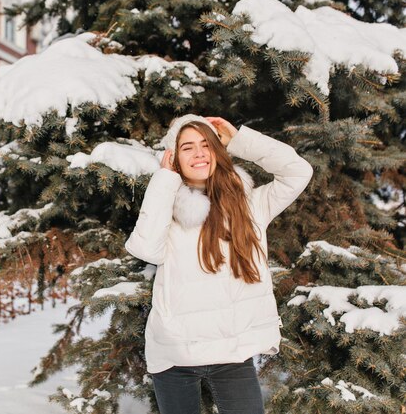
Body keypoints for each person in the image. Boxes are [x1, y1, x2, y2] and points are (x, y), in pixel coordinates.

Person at [124, 114, 314, 414]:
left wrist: (241, 140)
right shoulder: (166, 209)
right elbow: (146, 248)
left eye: (206, 144)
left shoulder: (250, 206)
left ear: (218, 151)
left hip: (231, 356)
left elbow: (298, 172)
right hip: (175, 355)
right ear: (174, 158)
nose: (199, 153)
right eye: (187, 147)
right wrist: (165, 180)